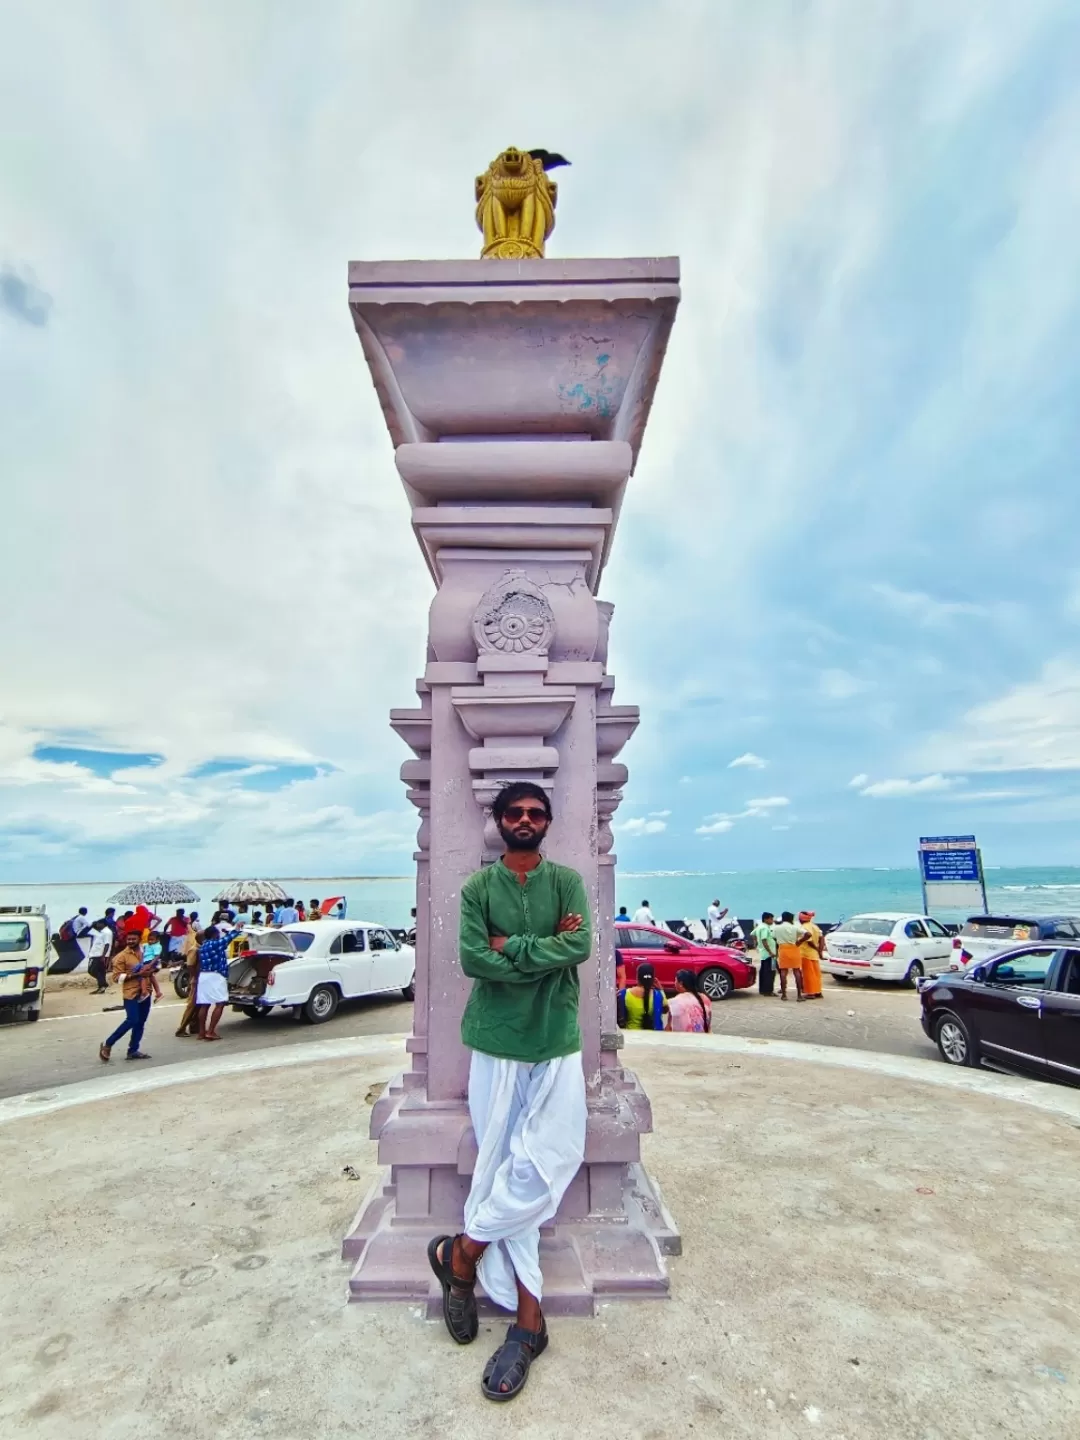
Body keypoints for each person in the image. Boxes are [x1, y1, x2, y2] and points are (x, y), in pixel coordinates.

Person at [426, 781, 591, 1403]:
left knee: (546, 1159)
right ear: (497, 821)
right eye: (515, 812)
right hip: (495, 1043)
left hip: (555, 1038)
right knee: (502, 1165)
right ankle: (527, 1324)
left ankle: (463, 1253)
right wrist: (537, 952)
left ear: (547, 822)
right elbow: (474, 960)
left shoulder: (568, 882)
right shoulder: (477, 889)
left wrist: (512, 946)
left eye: (536, 812)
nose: (526, 819)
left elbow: (582, 945)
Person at [99, 931, 161, 1062]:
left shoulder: (146, 951)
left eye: (133, 939)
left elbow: (157, 965)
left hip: (146, 991)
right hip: (131, 993)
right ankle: (108, 1044)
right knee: (132, 1020)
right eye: (129, 939)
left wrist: (152, 970)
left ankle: (133, 1051)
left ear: (139, 939)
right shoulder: (121, 957)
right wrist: (137, 975)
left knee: (140, 1023)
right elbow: (116, 978)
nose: (131, 941)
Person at [196, 923, 243, 1041]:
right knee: (220, 1003)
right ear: (214, 934)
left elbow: (224, 942)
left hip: (203, 976)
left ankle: (201, 1032)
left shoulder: (203, 946)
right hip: (216, 976)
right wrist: (236, 929)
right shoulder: (215, 944)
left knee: (204, 1005)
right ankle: (211, 1031)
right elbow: (227, 940)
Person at [618, 962, 668, 1030]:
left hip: (630, 1037)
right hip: (654, 1037)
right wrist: (661, 989)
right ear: (653, 979)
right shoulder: (658, 995)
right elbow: (665, 1010)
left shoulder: (624, 994)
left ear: (637, 977)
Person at [175, 925, 203, 1037]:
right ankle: (181, 1028)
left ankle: (194, 1026)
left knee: (199, 1005)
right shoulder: (194, 949)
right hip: (195, 980)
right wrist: (195, 979)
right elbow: (191, 966)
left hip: (199, 979)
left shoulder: (201, 948)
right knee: (192, 1006)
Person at [667, 968, 712, 1032]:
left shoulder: (676, 1001)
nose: (674, 983)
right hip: (703, 1037)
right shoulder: (705, 998)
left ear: (680, 984)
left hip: (684, 1039)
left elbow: (669, 1027)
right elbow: (708, 1023)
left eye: (675, 980)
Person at [773, 911, 804, 1001]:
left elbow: (773, 937)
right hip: (794, 949)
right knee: (797, 971)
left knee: (783, 972)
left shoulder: (777, 928)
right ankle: (799, 996)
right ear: (791, 919)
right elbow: (808, 934)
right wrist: (799, 941)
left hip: (783, 950)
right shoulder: (795, 927)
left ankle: (784, 995)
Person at [797, 911, 824, 999]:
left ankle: (810, 993)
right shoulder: (815, 926)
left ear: (801, 919)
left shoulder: (804, 927)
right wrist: (819, 951)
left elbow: (809, 941)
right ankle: (818, 991)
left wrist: (816, 948)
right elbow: (821, 938)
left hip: (806, 953)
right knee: (816, 974)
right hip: (814, 954)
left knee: (808, 974)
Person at [752, 912, 778, 996]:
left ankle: (763, 990)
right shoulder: (765, 928)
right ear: (766, 919)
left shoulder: (760, 926)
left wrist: (756, 943)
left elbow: (752, 934)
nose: (772, 920)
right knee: (771, 972)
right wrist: (770, 952)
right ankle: (768, 991)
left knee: (764, 971)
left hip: (764, 953)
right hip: (770, 954)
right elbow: (764, 940)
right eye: (771, 919)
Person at [86, 920, 113, 994]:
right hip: (97, 954)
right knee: (100, 972)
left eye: (98, 923)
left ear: (102, 924)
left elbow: (107, 944)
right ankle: (102, 986)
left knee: (92, 970)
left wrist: (103, 956)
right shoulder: (102, 932)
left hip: (98, 955)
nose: (97, 925)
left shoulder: (106, 932)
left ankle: (103, 984)